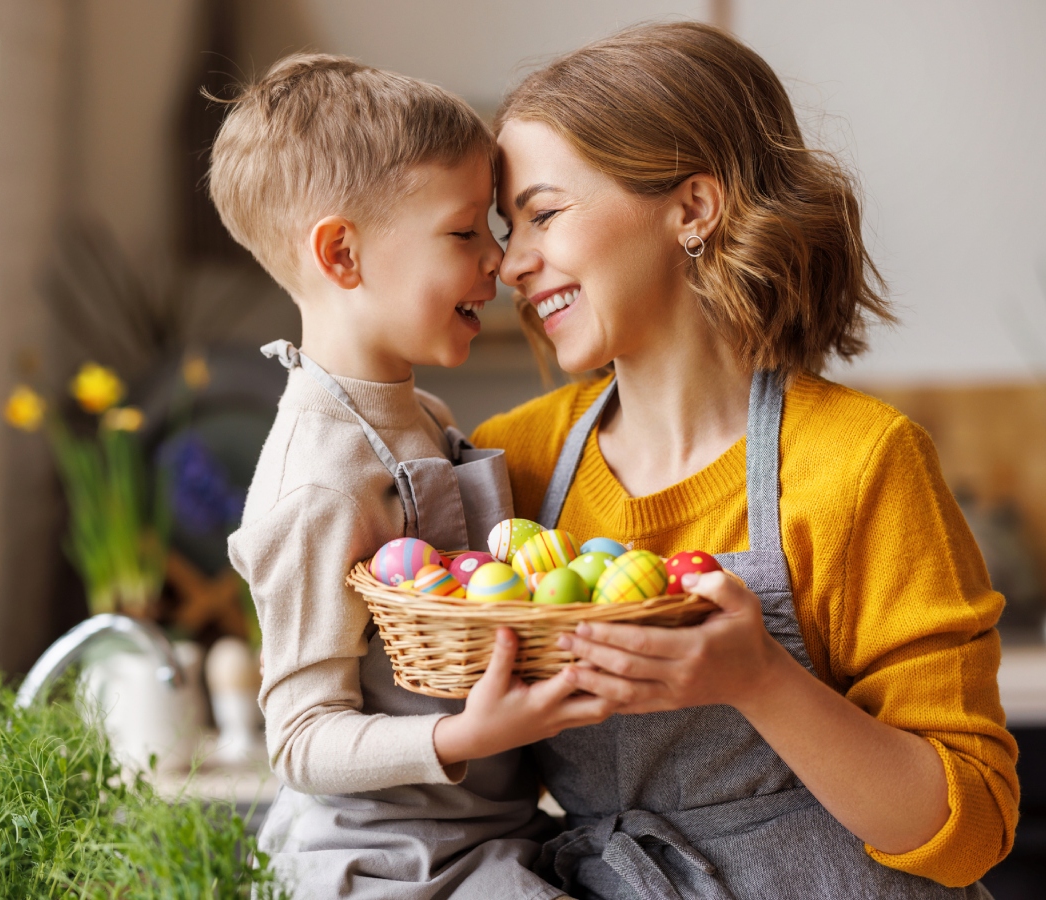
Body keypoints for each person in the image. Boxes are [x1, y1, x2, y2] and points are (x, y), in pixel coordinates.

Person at [472, 22, 1018, 899]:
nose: (513, 264)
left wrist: (760, 679)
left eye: (543, 213)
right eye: (507, 226)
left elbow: (973, 830)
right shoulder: (516, 461)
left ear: (692, 208)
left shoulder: (860, 462)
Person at [212, 54, 609, 900]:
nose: (499, 261)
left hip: (491, 833)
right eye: (466, 233)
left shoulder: (419, 414)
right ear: (342, 253)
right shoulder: (320, 477)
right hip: (390, 860)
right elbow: (300, 738)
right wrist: (462, 736)